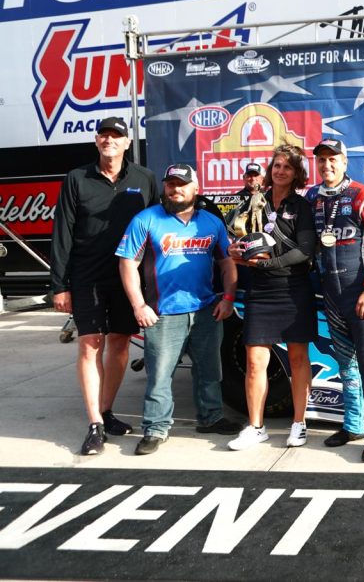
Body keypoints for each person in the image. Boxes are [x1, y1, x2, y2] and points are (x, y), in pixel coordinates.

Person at [50, 116, 160, 455]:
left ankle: (107, 410)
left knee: (120, 342)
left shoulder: (146, 179)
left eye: (116, 136)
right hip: (86, 277)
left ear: (128, 142)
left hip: (129, 280)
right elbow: (62, 233)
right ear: (97, 141)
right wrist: (59, 285)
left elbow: (157, 228)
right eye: (104, 136)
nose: (109, 140)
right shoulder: (76, 179)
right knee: (90, 344)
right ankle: (95, 424)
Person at [116, 164, 240, 455]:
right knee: (160, 374)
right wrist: (139, 305)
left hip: (206, 309)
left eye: (182, 184)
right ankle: (156, 428)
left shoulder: (211, 222)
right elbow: (127, 264)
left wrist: (229, 298)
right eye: (170, 183)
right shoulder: (145, 220)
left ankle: (210, 418)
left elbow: (227, 263)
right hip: (162, 313)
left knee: (210, 370)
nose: (176, 189)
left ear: (195, 189)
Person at [306, 138, 364, 463]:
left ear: (344, 162)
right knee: (346, 367)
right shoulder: (313, 197)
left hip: (362, 298)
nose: (327, 165)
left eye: (333, 160)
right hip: (332, 297)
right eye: (321, 160)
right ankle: (353, 424)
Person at [227, 144, 318, 451]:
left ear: (297, 174)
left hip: (293, 289)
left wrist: (267, 263)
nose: (280, 171)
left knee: (297, 358)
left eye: (287, 167)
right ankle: (255, 427)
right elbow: (235, 235)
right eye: (277, 165)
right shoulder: (253, 201)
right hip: (261, 291)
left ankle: (299, 424)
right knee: (254, 362)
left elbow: (305, 250)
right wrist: (233, 250)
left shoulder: (301, 206)